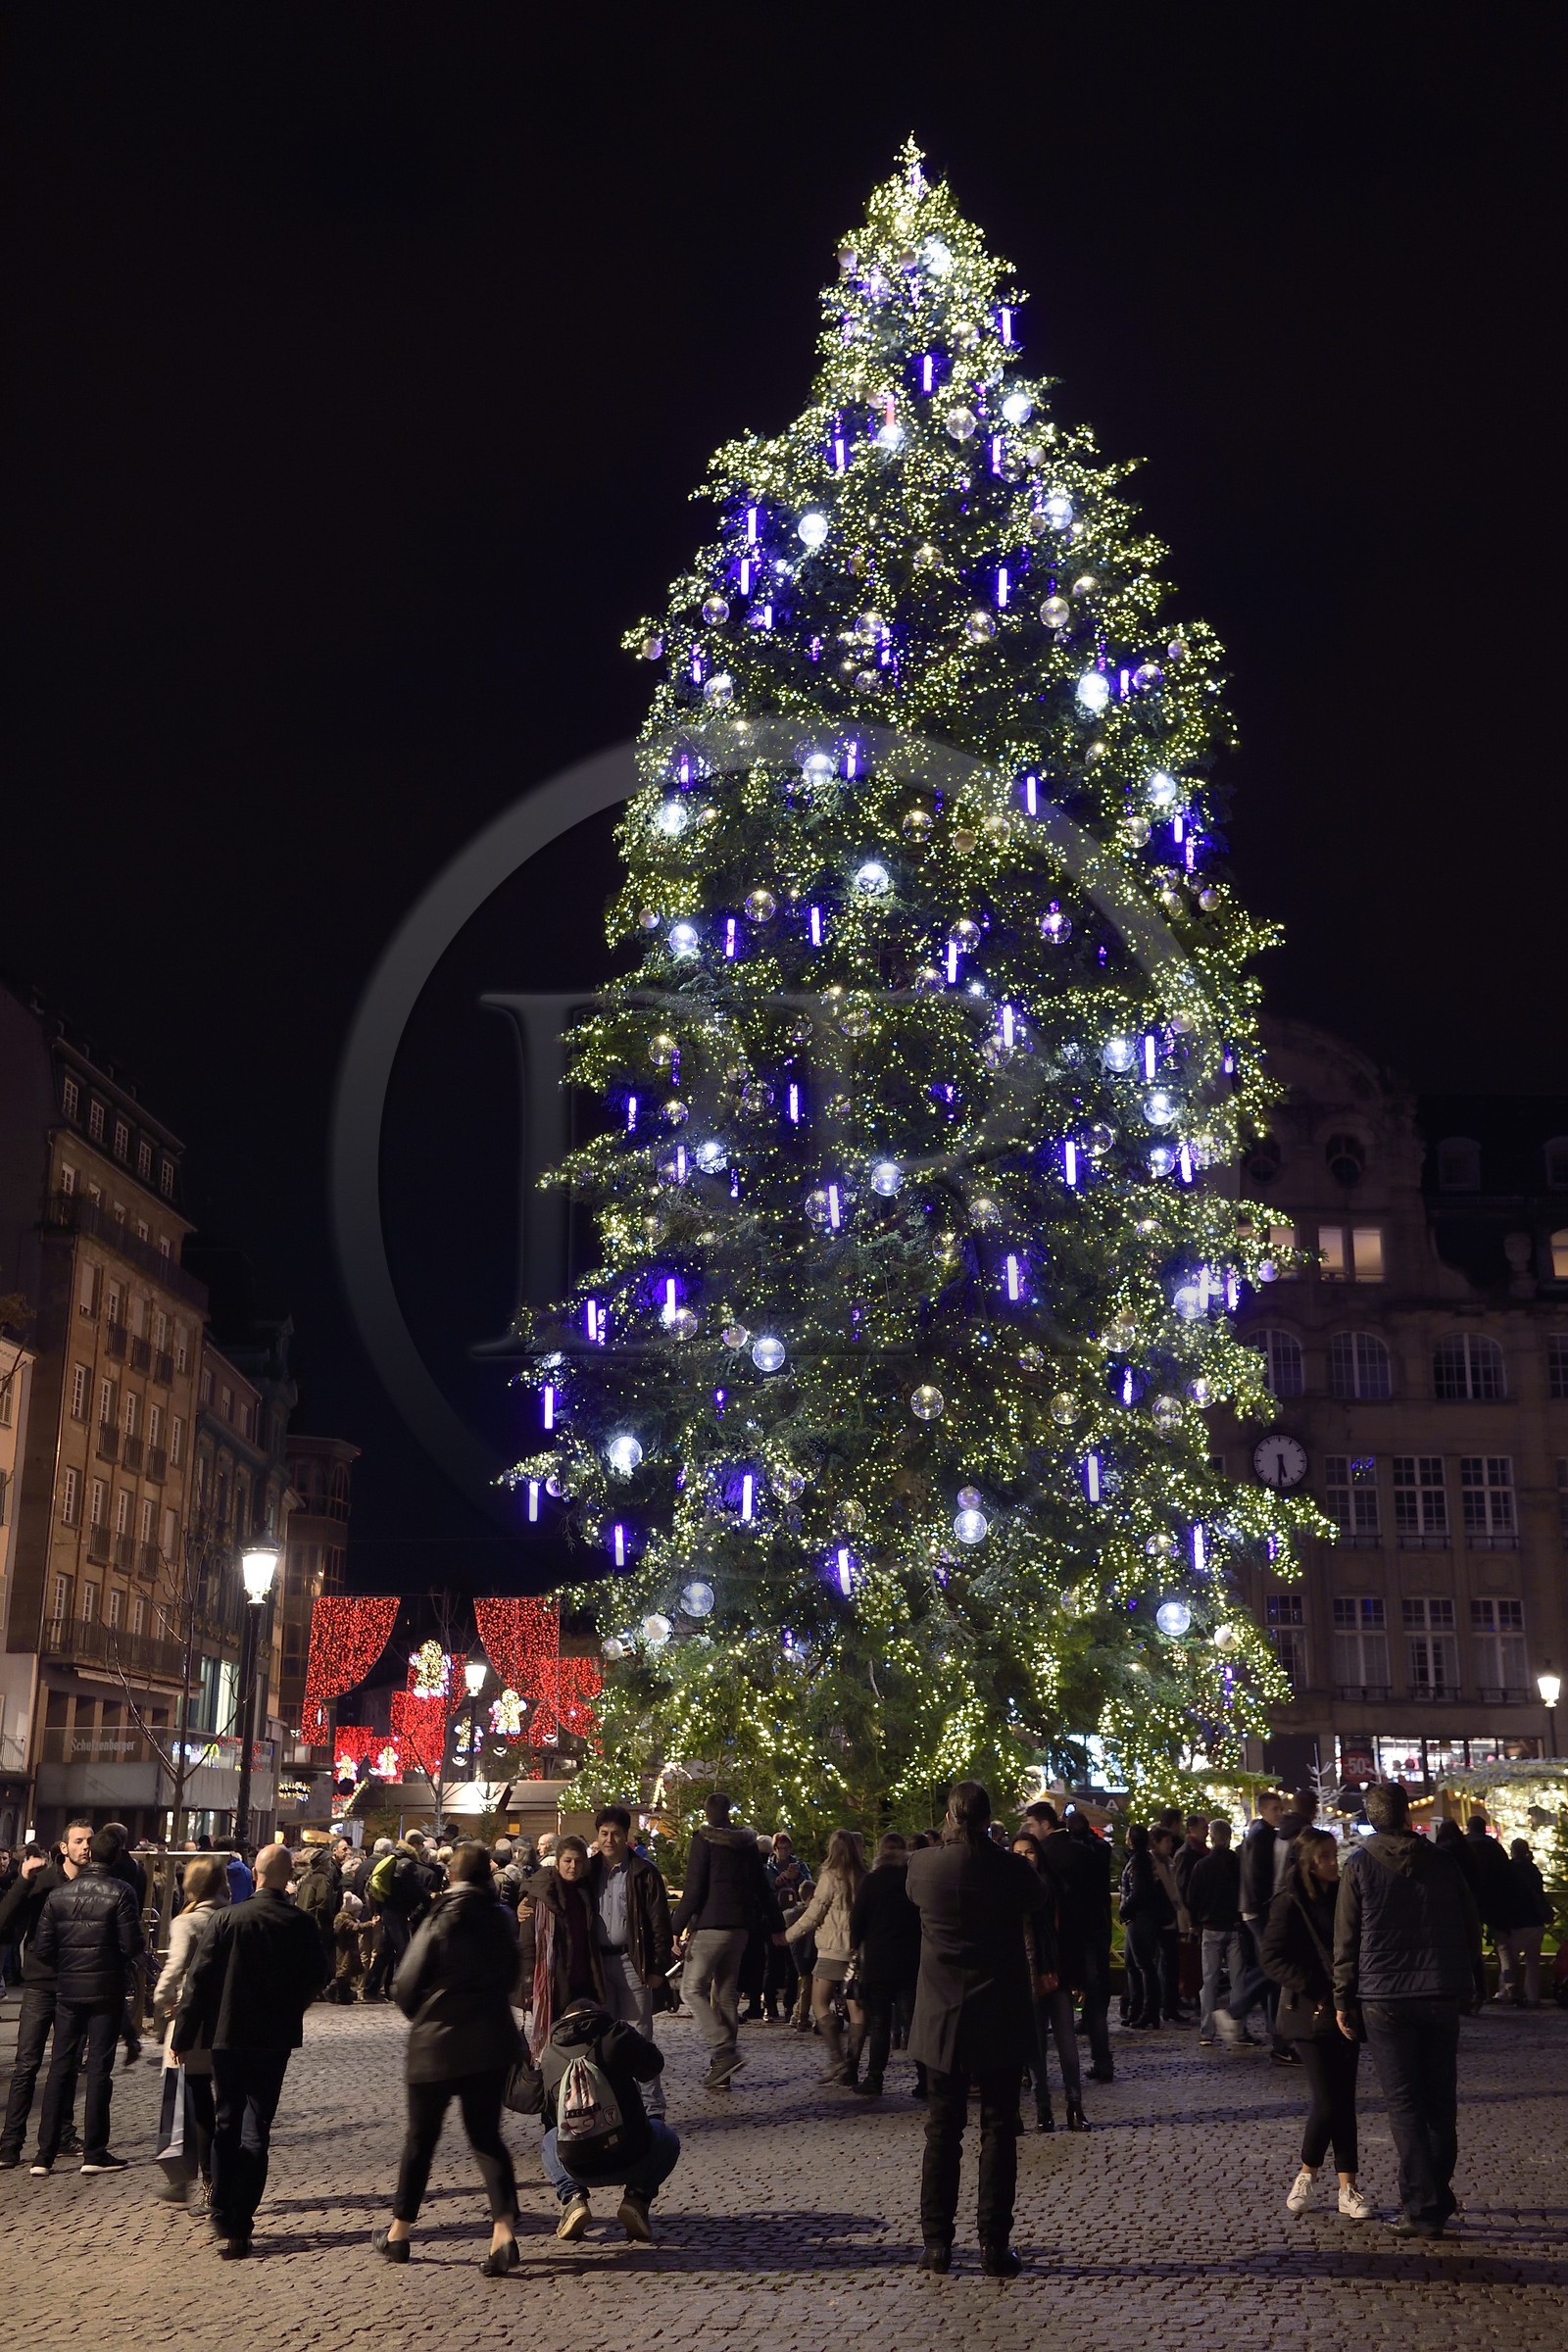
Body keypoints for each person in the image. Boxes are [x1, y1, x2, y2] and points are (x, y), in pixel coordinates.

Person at [906, 1781, 1049, 2278]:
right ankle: (993, 2244)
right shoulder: (1012, 1870)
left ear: (949, 1816)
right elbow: (1038, 1896)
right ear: (989, 1819)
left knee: (942, 2131)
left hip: (942, 2017)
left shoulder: (923, 1867)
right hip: (999, 2015)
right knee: (998, 2131)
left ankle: (937, 2244)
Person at [1333, 1781, 1482, 2239]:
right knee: (1440, 2102)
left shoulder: (1358, 1866)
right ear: (1406, 1816)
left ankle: (1422, 2204)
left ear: (1371, 1817)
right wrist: (1471, 1979)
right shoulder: (1442, 1862)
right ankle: (1433, 2202)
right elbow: (1469, 1924)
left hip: (1384, 1996)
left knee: (1405, 2106)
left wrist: (1343, 1997)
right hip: (1438, 1990)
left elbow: (1347, 1938)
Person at [171, 1841, 330, 2257]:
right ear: (287, 1877)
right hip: (274, 2037)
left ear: (255, 1875)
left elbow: (199, 1982)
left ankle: (223, 2207)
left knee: (227, 2120)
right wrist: (294, 2004)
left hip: (229, 2034)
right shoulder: (299, 1923)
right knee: (257, 2127)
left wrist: (182, 2037)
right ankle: (242, 2217)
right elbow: (318, 1975)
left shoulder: (227, 1919)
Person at [371, 1841, 522, 2276]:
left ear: (453, 1875)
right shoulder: (501, 1919)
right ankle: (503, 2232)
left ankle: (400, 2233)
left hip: (435, 2046)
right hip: (490, 2042)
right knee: (487, 2138)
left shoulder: (439, 1918)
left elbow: (405, 1984)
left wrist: (425, 2014)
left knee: (420, 2140)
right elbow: (512, 1976)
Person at [1261, 1830, 1372, 2220]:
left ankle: (1348, 2186)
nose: (1333, 1861)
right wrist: (1316, 1986)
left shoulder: (1344, 1893)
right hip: (1308, 2012)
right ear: (1308, 1862)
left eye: (1333, 1854)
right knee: (1328, 2101)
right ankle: (1306, 2173)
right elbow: (1271, 1958)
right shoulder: (1289, 1902)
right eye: (1325, 1856)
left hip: (1347, 2007)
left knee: (1344, 2100)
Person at [30, 1828, 144, 2175]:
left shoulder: (60, 1895)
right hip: (105, 1992)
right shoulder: (121, 1892)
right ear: (117, 1855)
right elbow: (131, 1945)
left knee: (60, 2068)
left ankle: (44, 2155)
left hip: (67, 1991)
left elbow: (43, 1947)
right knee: (98, 2070)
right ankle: (94, 2152)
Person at [540, 1994, 680, 2245]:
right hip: (631, 2153)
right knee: (666, 2136)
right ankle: (638, 2197)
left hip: (577, 2165)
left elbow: (524, 2100)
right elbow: (653, 2065)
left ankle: (572, 2198)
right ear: (599, 2014)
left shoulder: (550, 2055)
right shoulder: (617, 2036)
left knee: (550, 2139)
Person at [671, 1792, 785, 2095]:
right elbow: (762, 1887)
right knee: (725, 1994)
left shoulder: (703, 1840)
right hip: (741, 1928)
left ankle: (724, 2049)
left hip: (711, 1925)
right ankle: (722, 2072)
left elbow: (695, 1887)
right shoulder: (746, 1843)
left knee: (691, 1989)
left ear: (707, 1812)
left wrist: (675, 1926)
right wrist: (776, 1925)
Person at [0, 1819, 92, 2167]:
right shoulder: (43, 1880)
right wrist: (23, 1880)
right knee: (27, 2065)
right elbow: (5, 1919)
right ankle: (10, 2143)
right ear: (64, 1847)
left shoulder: (93, 1882)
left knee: (65, 2066)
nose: (86, 1847)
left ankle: (62, 2135)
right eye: (79, 1841)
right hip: (41, 1983)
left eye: (89, 1841)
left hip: (76, 1983)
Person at [151, 1851, 230, 2206]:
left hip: (193, 2024)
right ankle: (208, 2181)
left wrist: (162, 1999)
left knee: (193, 2106)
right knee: (220, 2105)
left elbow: (175, 1967)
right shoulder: (230, 1917)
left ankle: (200, 2183)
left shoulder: (187, 1923)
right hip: (227, 2021)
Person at [584, 1806, 672, 2116]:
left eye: (616, 1834)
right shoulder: (588, 1870)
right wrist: (526, 1901)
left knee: (639, 2035)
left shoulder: (642, 1872)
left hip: (632, 1962)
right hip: (598, 1964)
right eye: (604, 1833)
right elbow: (551, 1885)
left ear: (626, 1836)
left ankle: (652, 2107)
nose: (609, 1840)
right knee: (603, 2038)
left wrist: (657, 1967)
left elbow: (659, 1921)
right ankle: (617, 2104)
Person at [1010, 1830, 1085, 2131]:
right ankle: (1043, 2109)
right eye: (1017, 1854)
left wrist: (1078, 1978)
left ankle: (1075, 2105)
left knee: (1067, 2044)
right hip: (1025, 1979)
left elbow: (1070, 1935)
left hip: (1058, 1974)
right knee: (1036, 2047)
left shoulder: (1056, 1887)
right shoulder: (1009, 1893)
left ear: (1039, 1854)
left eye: (1029, 1852)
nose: (1024, 1858)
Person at [788, 1829, 867, 2087]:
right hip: (857, 1952)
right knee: (857, 2008)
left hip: (832, 1949)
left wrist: (787, 1935)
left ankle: (836, 2058)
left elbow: (814, 1913)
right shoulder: (864, 1877)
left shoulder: (831, 1877)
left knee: (819, 2001)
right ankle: (851, 2067)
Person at [849, 1832, 922, 2099]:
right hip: (910, 1959)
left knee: (880, 2023)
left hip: (879, 1961)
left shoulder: (872, 1881)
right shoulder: (912, 1880)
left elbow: (857, 1921)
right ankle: (925, 2080)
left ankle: (874, 2078)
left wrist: (856, 1945)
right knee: (914, 2023)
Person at [519, 1834, 605, 2055]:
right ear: (557, 1861)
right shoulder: (541, 1893)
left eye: (578, 1861)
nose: (573, 1866)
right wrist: (529, 1983)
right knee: (553, 2044)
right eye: (568, 1860)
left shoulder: (586, 1890)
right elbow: (528, 1943)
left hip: (582, 1978)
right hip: (553, 1982)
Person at [1234, 1791, 1296, 2063]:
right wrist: (1268, 1906)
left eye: (1281, 1808)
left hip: (1252, 1907)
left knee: (1271, 1967)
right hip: (1259, 1909)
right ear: (1263, 1810)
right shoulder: (1264, 1835)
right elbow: (1261, 1875)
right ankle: (1236, 2009)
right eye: (1275, 1809)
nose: (1279, 1813)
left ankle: (1273, 2028)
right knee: (1272, 1967)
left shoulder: (1258, 1832)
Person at [1460, 1812, 1539, 2003]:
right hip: (1496, 1902)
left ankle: (1476, 1989)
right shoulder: (1494, 1848)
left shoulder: (1464, 1846)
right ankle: (1509, 1989)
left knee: (1469, 1946)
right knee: (1503, 1947)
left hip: (1469, 1901)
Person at [1187, 1820, 1252, 2046]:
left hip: (1211, 1927)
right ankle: (1238, 2028)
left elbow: (1192, 1898)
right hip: (1234, 1926)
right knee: (1238, 1980)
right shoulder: (1237, 1864)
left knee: (1210, 1980)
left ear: (1211, 1837)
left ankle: (1207, 2031)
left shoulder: (1202, 1865)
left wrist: (1195, 1923)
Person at [1064, 1810, 1115, 2082]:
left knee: (1086, 1991)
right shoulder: (1100, 1849)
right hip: (1098, 1925)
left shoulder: (1077, 1854)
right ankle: (1102, 2058)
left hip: (1082, 1928)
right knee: (1095, 1991)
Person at [1118, 1824, 1172, 2031]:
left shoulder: (1139, 1860)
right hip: (1141, 1917)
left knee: (1143, 1966)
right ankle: (1138, 2010)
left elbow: (1139, 1892)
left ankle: (1148, 2012)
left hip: (1140, 1918)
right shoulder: (1141, 1859)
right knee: (1133, 1965)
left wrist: (1124, 1910)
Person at [1150, 1825, 1194, 2025]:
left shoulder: (1168, 1861)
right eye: (1166, 1841)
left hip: (1171, 1919)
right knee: (1164, 1963)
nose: (1170, 1845)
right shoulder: (1152, 1863)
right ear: (1156, 1843)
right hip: (1160, 1920)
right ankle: (1164, 2005)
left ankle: (1169, 2005)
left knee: (1170, 1964)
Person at [1498, 1838, 1550, 2007]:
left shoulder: (1509, 1869)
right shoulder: (1533, 1869)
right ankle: (1533, 1996)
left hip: (1516, 1921)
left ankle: (1509, 1993)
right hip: (1535, 1920)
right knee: (1533, 1961)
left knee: (1510, 1960)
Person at [294, 1843, 340, 1982]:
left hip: (305, 1922)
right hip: (318, 1925)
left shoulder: (308, 1878)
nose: (330, 1864)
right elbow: (323, 1903)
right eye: (327, 1861)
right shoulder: (322, 1880)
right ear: (322, 1863)